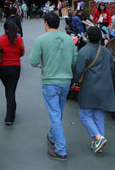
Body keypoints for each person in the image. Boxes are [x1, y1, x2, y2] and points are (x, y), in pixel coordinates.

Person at [30, 12, 77, 162]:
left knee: (55, 114)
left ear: (45, 23)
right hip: (66, 81)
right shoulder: (69, 40)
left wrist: (45, 63)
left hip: (50, 81)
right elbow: (74, 60)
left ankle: (61, 150)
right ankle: (52, 136)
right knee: (58, 112)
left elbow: (33, 61)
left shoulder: (41, 40)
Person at [73, 26, 115, 153]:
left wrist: (74, 80)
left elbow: (79, 70)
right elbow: (112, 69)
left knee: (84, 114)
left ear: (88, 37)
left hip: (90, 87)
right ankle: (99, 142)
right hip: (106, 87)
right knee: (99, 116)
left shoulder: (84, 51)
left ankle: (98, 138)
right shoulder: (107, 52)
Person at [0, 21, 25, 125]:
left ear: (5, 29)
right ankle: (10, 114)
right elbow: (22, 52)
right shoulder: (19, 40)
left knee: (8, 89)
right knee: (11, 89)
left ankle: (10, 112)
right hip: (15, 67)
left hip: (3, 68)